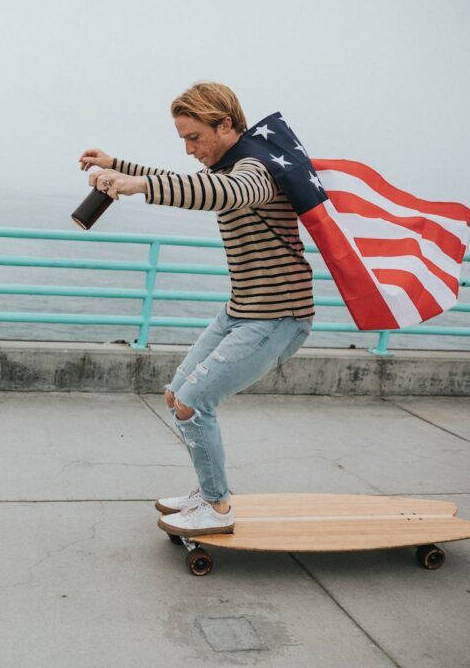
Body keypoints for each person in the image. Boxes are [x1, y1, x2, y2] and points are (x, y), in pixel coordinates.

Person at [79, 81, 314, 537]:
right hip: (241, 310)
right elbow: (196, 183)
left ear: (225, 124)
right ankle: (209, 491)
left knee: (192, 402)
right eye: (183, 139)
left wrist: (138, 185)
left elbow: (221, 193)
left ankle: (217, 507)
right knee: (177, 396)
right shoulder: (230, 164)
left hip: (278, 317)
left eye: (194, 137)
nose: (188, 149)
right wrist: (117, 165)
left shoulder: (256, 169)